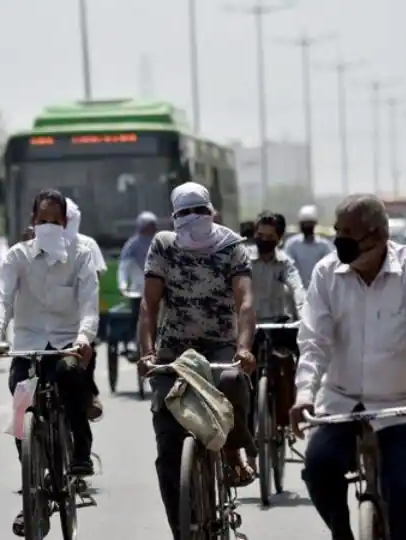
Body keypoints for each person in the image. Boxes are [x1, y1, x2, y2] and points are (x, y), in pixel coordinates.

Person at [289, 194, 406, 540]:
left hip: (400, 406)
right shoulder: (326, 273)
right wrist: (304, 395)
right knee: (318, 470)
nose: (340, 241)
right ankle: (342, 534)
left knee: (404, 496)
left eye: (350, 233)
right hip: (341, 403)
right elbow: (314, 340)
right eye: (338, 231)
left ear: (378, 235)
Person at [137, 182, 257, 540]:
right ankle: (181, 529)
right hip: (174, 351)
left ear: (211, 212)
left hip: (220, 345)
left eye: (199, 212)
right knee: (169, 448)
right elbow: (149, 306)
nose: (194, 220)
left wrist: (244, 348)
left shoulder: (232, 246)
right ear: (174, 217)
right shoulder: (163, 246)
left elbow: (245, 303)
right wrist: (147, 353)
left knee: (234, 381)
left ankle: (235, 448)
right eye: (185, 214)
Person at [0, 189, 98, 537]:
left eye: (55, 221)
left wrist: (83, 338)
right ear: (32, 222)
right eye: (42, 220)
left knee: (69, 375)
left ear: (65, 223)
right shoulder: (17, 256)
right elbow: (3, 298)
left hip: (65, 343)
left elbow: (89, 303)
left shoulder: (81, 255)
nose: (48, 226)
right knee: (21, 410)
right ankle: (32, 489)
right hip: (28, 345)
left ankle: (81, 448)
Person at [248, 210, 305, 433]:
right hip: (249, 326)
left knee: (300, 353)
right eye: (260, 235)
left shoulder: (285, 263)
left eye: (270, 237)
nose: (264, 240)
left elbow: (298, 288)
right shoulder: (243, 259)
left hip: (277, 324)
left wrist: (304, 313)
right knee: (239, 375)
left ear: (278, 239)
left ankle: (298, 405)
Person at [65, 197, 106, 421]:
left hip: (79, 318)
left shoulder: (87, 245)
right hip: (41, 324)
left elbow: (95, 280)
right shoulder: (31, 247)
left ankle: (89, 396)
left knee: (82, 360)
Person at [118, 211, 158, 340]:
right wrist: (123, 285)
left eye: (152, 226)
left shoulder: (159, 242)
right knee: (137, 315)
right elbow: (124, 266)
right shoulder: (132, 245)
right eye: (147, 226)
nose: (149, 230)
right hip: (138, 290)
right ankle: (134, 340)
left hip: (158, 290)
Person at [284, 204, 334, 288]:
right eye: (305, 224)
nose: (307, 227)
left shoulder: (324, 246)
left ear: (315, 225)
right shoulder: (292, 245)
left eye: (309, 224)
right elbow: (287, 268)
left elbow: (330, 268)